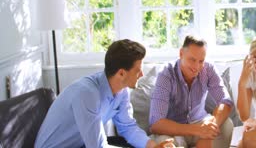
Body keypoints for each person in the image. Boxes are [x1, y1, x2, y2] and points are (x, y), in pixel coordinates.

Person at [35, 39, 174, 148]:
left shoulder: (122, 90)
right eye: (138, 70)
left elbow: (128, 127)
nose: (142, 74)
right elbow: (97, 146)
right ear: (121, 73)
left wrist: (153, 146)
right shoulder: (87, 94)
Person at [149, 35, 234, 148]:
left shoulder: (208, 68)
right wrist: (196, 130)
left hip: (201, 123)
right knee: (164, 143)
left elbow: (225, 101)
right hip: (174, 130)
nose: (196, 67)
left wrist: (210, 127)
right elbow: (156, 123)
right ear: (181, 54)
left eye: (201, 61)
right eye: (192, 60)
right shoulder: (166, 74)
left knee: (226, 125)